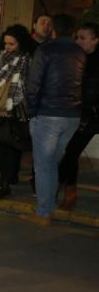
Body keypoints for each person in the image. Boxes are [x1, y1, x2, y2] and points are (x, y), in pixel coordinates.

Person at [24, 14, 86, 226]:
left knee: (43, 165)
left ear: (53, 29)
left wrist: (31, 111)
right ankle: (47, 206)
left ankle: (43, 212)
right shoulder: (80, 52)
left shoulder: (45, 50)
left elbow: (33, 84)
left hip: (48, 113)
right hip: (72, 115)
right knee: (52, 162)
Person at [0, 24, 35, 198]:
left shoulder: (26, 60)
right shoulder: (2, 58)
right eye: (6, 44)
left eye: (12, 44)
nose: (7, 48)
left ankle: (3, 184)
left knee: (10, 149)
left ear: (21, 43)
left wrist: (14, 105)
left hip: (15, 109)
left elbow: (24, 86)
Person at [57, 22, 99, 210]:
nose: (78, 41)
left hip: (91, 116)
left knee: (70, 153)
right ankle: (69, 192)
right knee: (70, 154)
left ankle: (66, 190)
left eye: (83, 38)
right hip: (75, 113)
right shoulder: (76, 58)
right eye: (77, 37)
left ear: (95, 40)